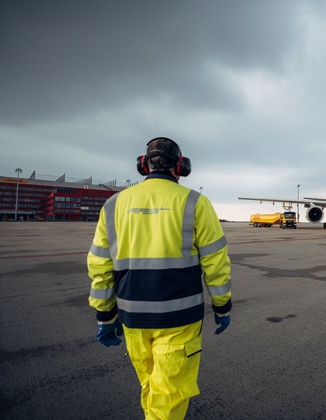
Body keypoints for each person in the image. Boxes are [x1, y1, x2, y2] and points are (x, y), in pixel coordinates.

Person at [87, 137, 232, 419]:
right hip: (180, 320)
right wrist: (222, 305)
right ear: (181, 167)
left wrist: (104, 315)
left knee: (151, 386)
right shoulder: (195, 203)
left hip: (132, 319)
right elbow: (216, 262)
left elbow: (100, 265)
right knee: (168, 396)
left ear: (143, 165)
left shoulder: (113, 205)